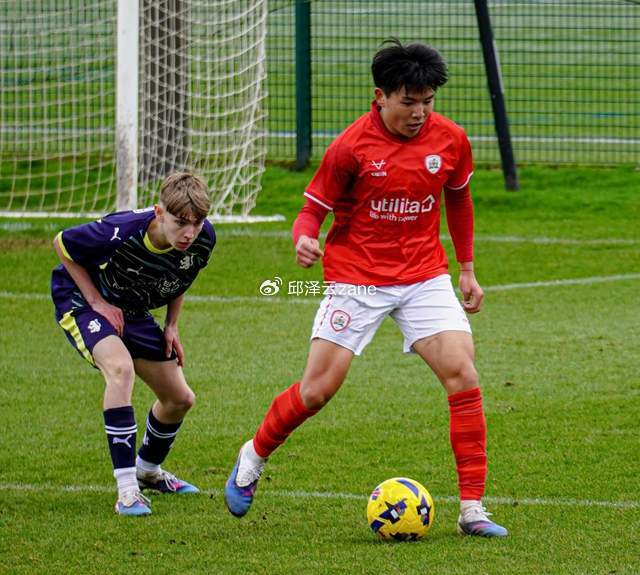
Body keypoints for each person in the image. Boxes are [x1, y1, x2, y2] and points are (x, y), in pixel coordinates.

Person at [224, 39, 508, 537]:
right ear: (380, 96)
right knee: (317, 390)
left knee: (463, 374)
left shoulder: (451, 140)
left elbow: (459, 200)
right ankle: (254, 453)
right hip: (357, 278)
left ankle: (472, 509)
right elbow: (312, 209)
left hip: (423, 276)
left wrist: (467, 268)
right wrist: (304, 238)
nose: (419, 113)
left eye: (428, 101)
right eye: (408, 102)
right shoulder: (351, 146)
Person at [51, 172, 216, 516]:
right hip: (82, 301)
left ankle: (148, 471)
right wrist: (96, 301)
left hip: (133, 308)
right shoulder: (121, 231)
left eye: (197, 223)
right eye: (180, 223)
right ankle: (127, 492)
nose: (189, 232)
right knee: (120, 370)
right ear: (159, 212)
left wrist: (172, 324)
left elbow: (181, 275)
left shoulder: (203, 238)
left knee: (179, 399)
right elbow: (62, 243)